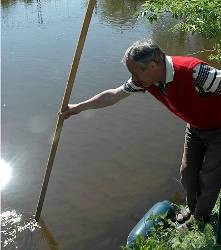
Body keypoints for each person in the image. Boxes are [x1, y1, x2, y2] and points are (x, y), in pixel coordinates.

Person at [59, 39, 221, 231]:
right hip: (195, 127)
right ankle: (193, 207)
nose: (133, 77)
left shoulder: (195, 72)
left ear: (153, 65)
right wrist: (79, 107)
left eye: (134, 71)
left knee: (210, 178)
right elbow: (113, 95)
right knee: (187, 173)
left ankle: (199, 220)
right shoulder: (145, 80)